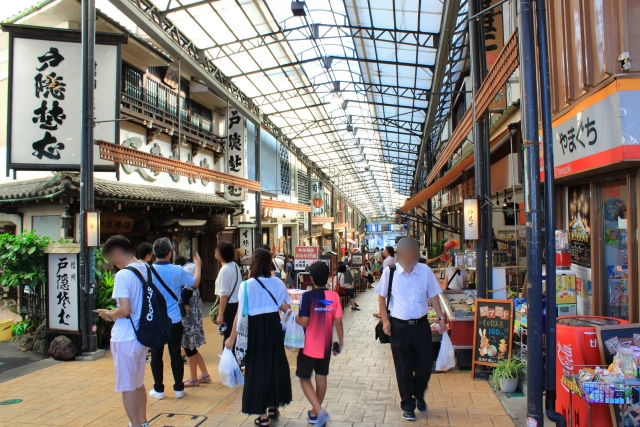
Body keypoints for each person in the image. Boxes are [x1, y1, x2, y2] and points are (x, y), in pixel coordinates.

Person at [376, 237, 446, 421]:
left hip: (421, 325)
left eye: (413, 256)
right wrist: (385, 320)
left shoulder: (425, 271)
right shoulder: (389, 273)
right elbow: (381, 298)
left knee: (425, 365)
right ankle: (408, 404)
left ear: (417, 255)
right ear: (397, 256)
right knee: (403, 367)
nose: (409, 260)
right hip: (399, 327)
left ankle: (418, 392)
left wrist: (441, 317)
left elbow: (434, 296)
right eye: (406, 256)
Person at [225, 248, 292, 426]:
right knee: (274, 366)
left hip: (255, 330)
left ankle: (262, 416)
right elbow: (285, 306)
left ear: (253, 263)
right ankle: (273, 404)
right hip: (273, 327)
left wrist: (231, 338)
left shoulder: (246, 285)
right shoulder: (277, 283)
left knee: (256, 369)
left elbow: (239, 316)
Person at [97, 235, 149, 427]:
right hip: (142, 335)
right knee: (138, 382)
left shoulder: (123, 275)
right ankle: (143, 422)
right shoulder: (146, 269)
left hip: (125, 336)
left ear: (117, 252)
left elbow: (124, 310)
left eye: (111, 259)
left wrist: (109, 314)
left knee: (127, 386)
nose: (112, 264)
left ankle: (135, 424)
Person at [148, 238, 202, 400]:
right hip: (174, 319)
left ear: (154, 254)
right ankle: (178, 388)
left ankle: (159, 389)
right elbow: (194, 283)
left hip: (156, 319)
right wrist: (197, 265)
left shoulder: (147, 271)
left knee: (156, 354)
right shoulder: (177, 270)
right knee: (175, 354)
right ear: (170, 253)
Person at [295, 261, 344, 427]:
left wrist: (292, 315)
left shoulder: (307, 296)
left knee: (303, 378)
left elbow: (304, 322)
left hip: (309, 346)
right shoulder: (334, 297)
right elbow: (338, 322)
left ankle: (319, 411)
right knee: (321, 378)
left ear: (312, 278)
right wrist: (340, 342)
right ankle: (315, 413)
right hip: (326, 346)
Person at [178, 256, 211, 388]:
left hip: (188, 325)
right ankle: (204, 374)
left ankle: (193, 378)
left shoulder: (186, 290)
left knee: (189, 350)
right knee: (193, 350)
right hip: (196, 322)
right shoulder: (195, 289)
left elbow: (185, 311)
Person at [215, 241, 242, 348]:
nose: (215, 252)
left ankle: (228, 361)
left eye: (217, 250)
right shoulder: (234, 265)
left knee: (228, 336)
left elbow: (224, 295)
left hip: (229, 306)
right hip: (236, 304)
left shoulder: (225, 270)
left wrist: (221, 314)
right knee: (233, 334)